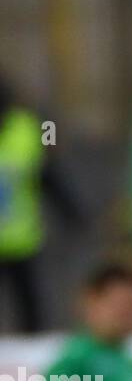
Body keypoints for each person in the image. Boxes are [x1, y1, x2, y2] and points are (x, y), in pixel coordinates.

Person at [0, 77, 82, 334]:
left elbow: (47, 175)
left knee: (30, 309)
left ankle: (28, 361)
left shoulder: (26, 130)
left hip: (21, 240)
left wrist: (72, 212)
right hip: (20, 236)